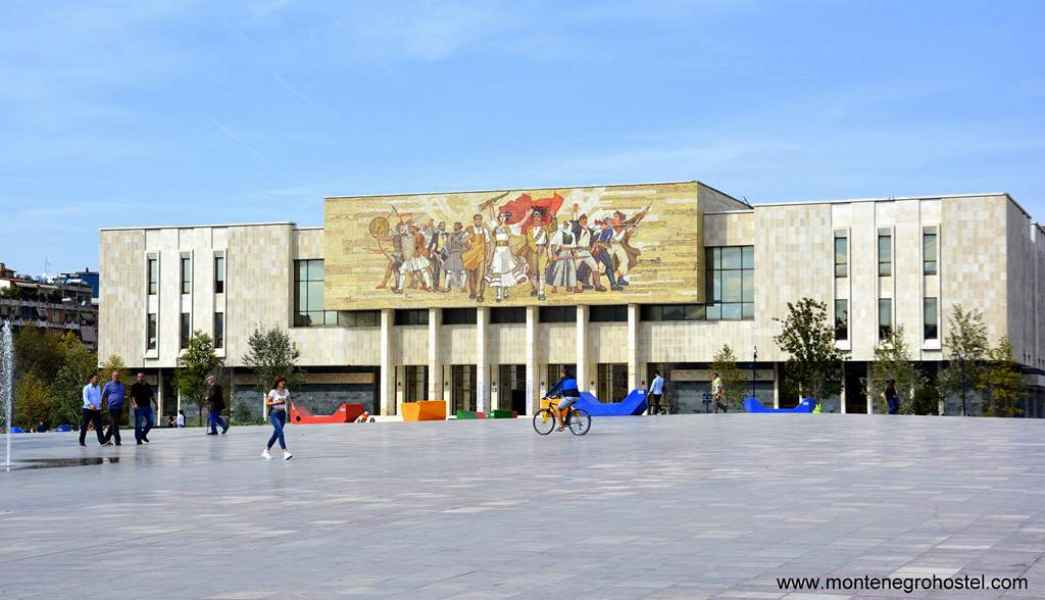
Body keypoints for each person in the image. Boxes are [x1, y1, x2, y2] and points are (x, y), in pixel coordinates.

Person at [262, 376, 293, 460]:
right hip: (274, 414)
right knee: (280, 431)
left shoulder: (286, 391)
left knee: (276, 434)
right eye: (281, 381)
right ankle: (285, 452)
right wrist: (276, 402)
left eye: (284, 381)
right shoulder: (273, 392)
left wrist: (293, 409)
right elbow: (267, 403)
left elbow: (289, 401)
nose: (283, 383)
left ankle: (266, 451)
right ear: (278, 383)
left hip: (283, 414)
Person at [545, 368, 580, 432]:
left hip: (570, 397)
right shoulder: (572, 378)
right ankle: (567, 422)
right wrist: (559, 394)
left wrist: (547, 394)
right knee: (568, 407)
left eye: (561, 373)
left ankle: (561, 426)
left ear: (563, 373)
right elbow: (567, 388)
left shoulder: (563, 380)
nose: (560, 375)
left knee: (557, 408)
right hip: (577, 396)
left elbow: (556, 388)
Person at [79, 374, 105, 447]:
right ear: (91, 380)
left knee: (99, 426)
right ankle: (82, 441)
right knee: (85, 425)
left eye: (97, 378)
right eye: (95, 378)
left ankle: (102, 441)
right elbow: (85, 398)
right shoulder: (86, 388)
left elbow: (99, 397)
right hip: (87, 409)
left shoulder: (98, 387)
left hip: (96, 409)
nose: (97, 380)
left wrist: (100, 404)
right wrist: (90, 405)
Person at [101, 370, 126, 446]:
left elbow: (122, 395)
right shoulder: (108, 385)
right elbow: (103, 395)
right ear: (112, 376)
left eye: (118, 376)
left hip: (120, 407)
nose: (116, 377)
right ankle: (117, 440)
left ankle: (106, 438)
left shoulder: (122, 385)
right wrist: (101, 404)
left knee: (113, 424)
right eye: (115, 376)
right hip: (112, 407)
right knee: (115, 424)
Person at [130, 372, 155, 445]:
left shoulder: (147, 386)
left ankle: (143, 435)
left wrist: (156, 404)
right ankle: (138, 439)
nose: (140, 378)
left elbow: (152, 396)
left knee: (151, 422)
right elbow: (131, 397)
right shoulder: (135, 386)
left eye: (142, 377)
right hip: (139, 407)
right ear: (137, 378)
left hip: (147, 407)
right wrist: (134, 404)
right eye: (139, 377)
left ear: (144, 377)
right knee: (139, 424)